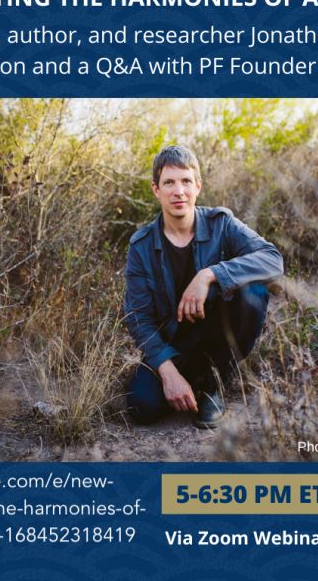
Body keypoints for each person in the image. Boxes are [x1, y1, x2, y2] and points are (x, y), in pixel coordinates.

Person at [123, 145, 283, 429]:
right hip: (174, 346)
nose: (178, 191)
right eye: (169, 182)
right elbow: (138, 318)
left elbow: (272, 260)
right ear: (155, 189)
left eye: (186, 181)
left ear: (198, 185)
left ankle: (214, 382)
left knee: (254, 293)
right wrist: (168, 372)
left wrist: (210, 274)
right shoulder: (141, 245)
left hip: (215, 336)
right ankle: (184, 378)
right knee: (142, 406)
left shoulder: (221, 224)